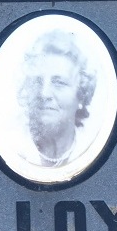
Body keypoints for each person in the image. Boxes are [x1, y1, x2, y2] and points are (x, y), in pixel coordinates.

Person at [17, 29, 98, 169]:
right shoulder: (13, 147)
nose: (44, 93)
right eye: (37, 81)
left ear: (81, 94)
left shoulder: (94, 148)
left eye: (59, 82)